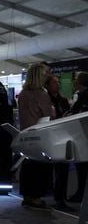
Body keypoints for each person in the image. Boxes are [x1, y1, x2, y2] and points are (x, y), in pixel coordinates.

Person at [17, 63, 55, 209]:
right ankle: (36, 197)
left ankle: (27, 195)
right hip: (40, 133)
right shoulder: (42, 94)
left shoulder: (23, 93)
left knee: (28, 164)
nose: (48, 75)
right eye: (46, 73)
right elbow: (47, 114)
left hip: (26, 132)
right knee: (40, 166)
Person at [44, 74, 73, 211]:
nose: (58, 85)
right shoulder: (45, 98)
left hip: (62, 136)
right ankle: (46, 193)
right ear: (48, 85)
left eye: (58, 82)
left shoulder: (63, 100)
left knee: (62, 167)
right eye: (55, 82)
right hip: (49, 136)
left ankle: (60, 197)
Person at [66, 71, 88, 202]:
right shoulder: (81, 95)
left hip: (83, 136)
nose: (74, 81)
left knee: (82, 167)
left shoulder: (85, 96)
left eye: (76, 79)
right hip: (82, 135)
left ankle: (81, 194)